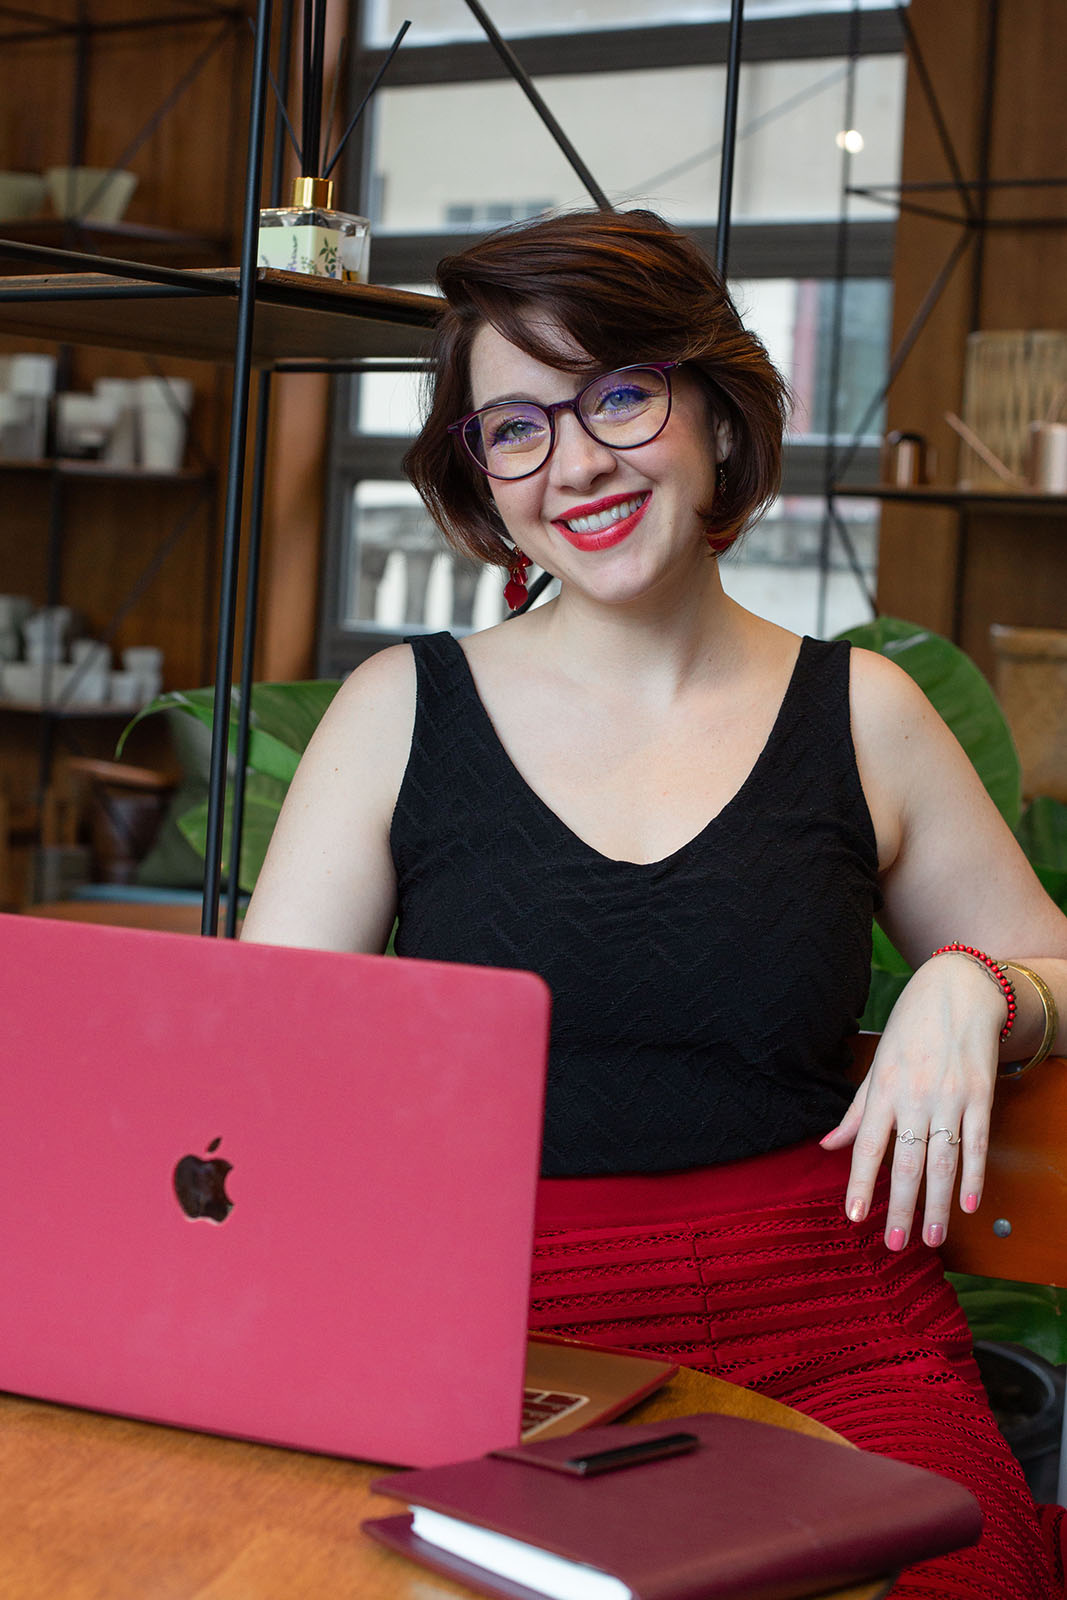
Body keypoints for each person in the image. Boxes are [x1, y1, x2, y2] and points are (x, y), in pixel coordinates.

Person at [242, 208, 1067, 1597]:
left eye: (618, 393)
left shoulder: (866, 714)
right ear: (478, 475)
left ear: (715, 411)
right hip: (492, 1345)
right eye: (514, 427)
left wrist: (980, 986)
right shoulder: (399, 713)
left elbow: (1048, 953)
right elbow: (252, 1065)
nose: (574, 463)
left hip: (836, 1331)